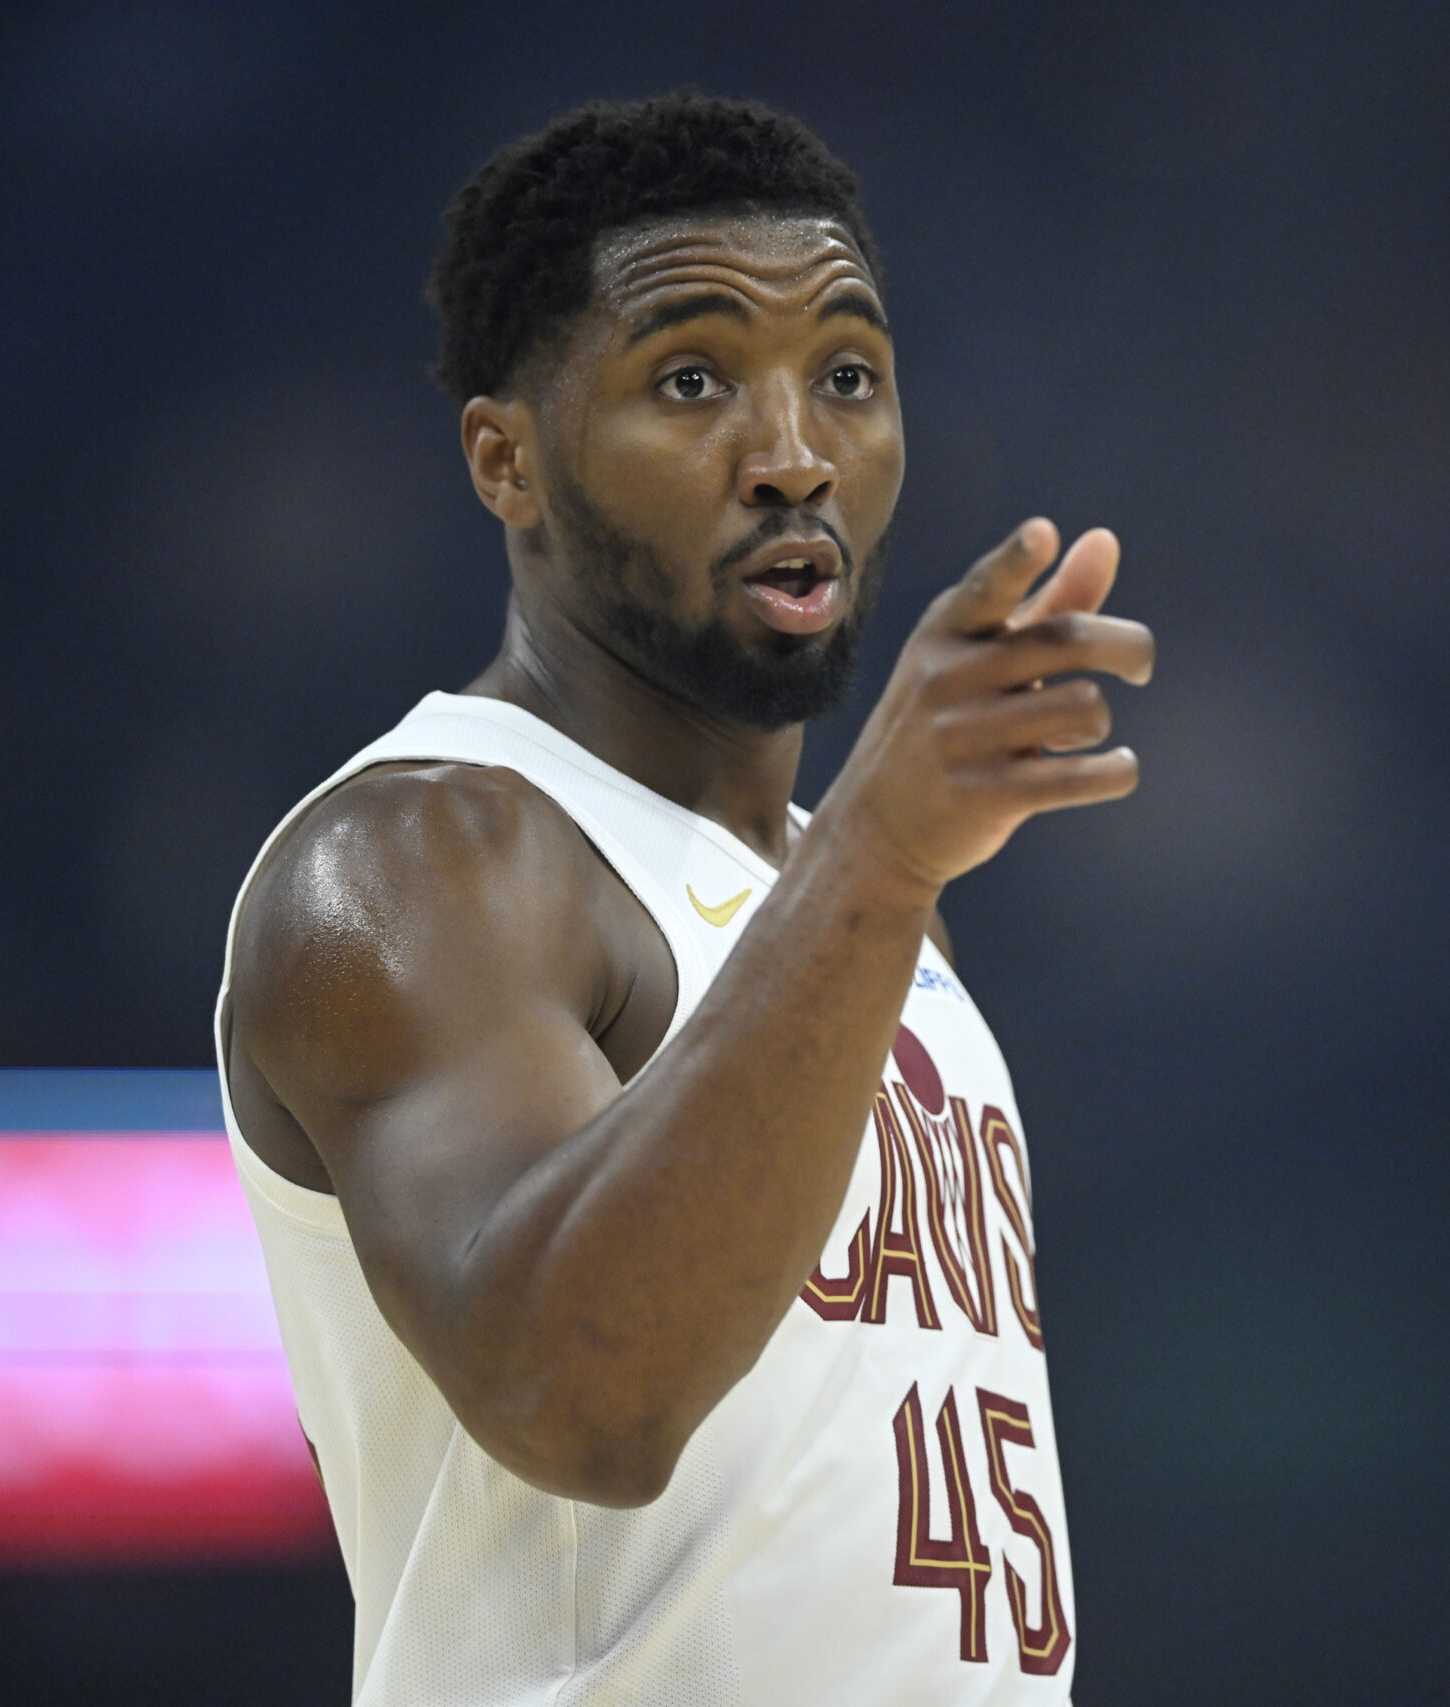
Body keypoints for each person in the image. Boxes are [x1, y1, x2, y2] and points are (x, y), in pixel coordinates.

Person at [215, 92, 1151, 1705]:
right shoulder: (418, 862)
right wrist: (879, 854)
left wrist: (869, 865)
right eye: (693, 381)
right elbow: (581, 1399)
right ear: (507, 458)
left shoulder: (859, 900)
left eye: (845, 376)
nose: (794, 456)